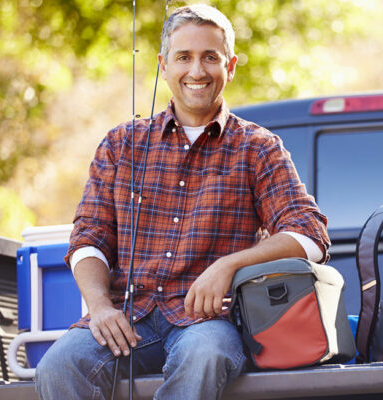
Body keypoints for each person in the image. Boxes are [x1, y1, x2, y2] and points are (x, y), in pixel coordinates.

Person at [35, 4, 330, 399]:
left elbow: (309, 233)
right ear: (163, 64)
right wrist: (99, 306)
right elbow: (89, 237)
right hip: (127, 317)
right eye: (184, 57)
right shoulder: (122, 144)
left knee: (204, 355)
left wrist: (229, 266)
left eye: (210, 57)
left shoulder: (258, 147)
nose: (197, 71)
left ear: (231, 65)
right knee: (59, 364)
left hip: (207, 323)